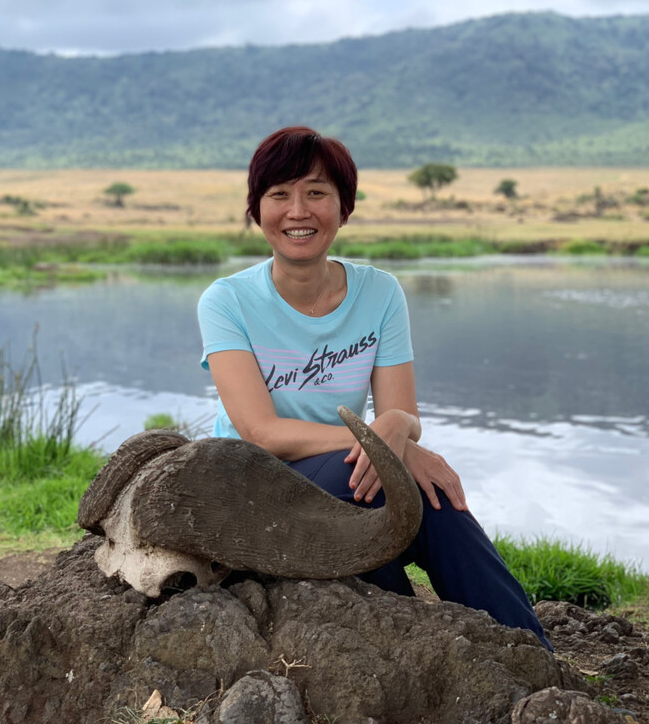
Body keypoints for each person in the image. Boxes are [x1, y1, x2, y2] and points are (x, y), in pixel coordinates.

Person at [197, 125, 552, 650]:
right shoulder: (226, 301)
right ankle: (435, 637)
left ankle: (530, 655)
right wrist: (386, 442)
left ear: (345, 208)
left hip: (346, 472)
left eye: (316, 193)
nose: (298, 211)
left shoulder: (380, 293)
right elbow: (261, 432)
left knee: (435, 497)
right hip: (255, 481)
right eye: (279, 195)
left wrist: (398, 433)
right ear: (257, 210)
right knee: (397, 478)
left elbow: (404, 413)